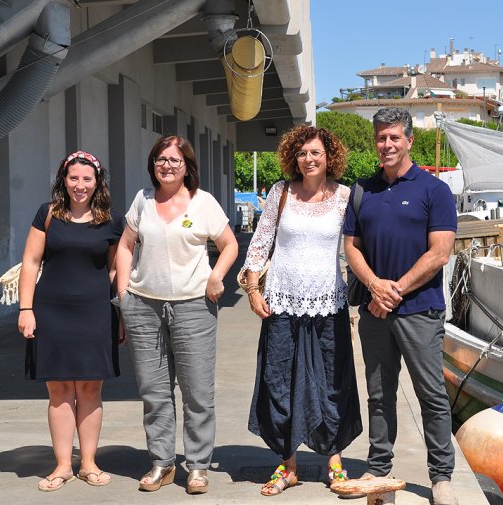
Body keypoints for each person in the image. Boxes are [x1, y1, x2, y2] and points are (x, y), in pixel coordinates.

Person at [343, 108, 458, 505]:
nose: (387, 145)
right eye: (380, 138)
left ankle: (441, 478)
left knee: (432, 396)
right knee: (378, 394)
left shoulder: (434, 191)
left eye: (394, 137)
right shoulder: (362, 190)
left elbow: (440, 252)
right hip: (375, 312)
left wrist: (395, 290)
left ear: (409, 140)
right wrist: (375, 286)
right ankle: (379, 470)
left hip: (421, 311)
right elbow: (350, 248)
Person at [240, 125, 362, 496]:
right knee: (279, 382)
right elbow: (260, 245)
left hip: (329, 303)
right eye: (302, 153)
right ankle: (288, 465)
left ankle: (334, 462)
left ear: (330, 158)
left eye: (316, 153)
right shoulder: (280, 192)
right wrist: (251, 288)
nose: (309, 159)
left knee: (332, 383)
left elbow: (360, 247)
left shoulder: (345, 197)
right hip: (281, 303)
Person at [114, 135, 238, 495]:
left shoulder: (203, 203)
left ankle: (197, 466)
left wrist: (216, 277)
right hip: (143, 305)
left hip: (193, 306)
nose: (166, 166)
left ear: (187, 166)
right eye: (160, 159)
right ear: (153, 164)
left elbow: (229, 244)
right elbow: (125, 246)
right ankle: (162, 463)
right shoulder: (143, 201)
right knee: (154, 391)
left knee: (197, 391)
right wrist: (123, 294)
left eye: (174, 160)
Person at [17, 150, 124, 491]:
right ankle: (63, 464)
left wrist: (119, 311)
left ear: (97, 182)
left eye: (87, 179)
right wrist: (25, 309)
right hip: (52, 311)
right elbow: (31, 262)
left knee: (91, 387)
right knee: (59, 389)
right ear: (64, 180)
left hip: (95, 312)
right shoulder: (47, 215)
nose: (80, 185)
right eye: (73, 178)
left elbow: (116, 268)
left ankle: (89, 462)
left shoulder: (110, 220)